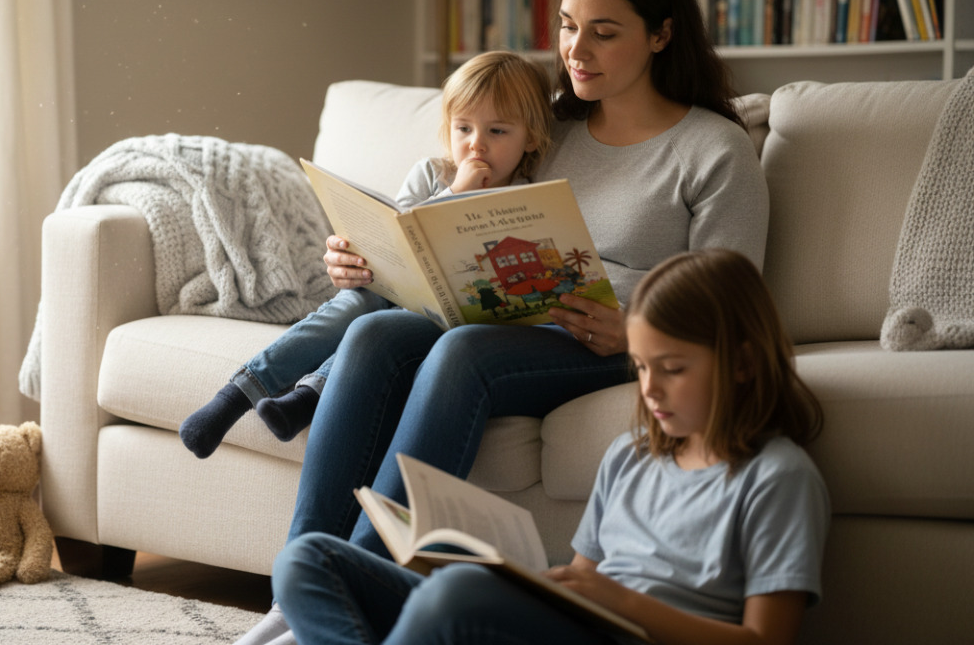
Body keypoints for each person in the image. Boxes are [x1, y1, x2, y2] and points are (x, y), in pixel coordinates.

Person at [235, 0, 771, 645]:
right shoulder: (549, 126)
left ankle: (352, 581)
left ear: (662, 34)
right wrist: (369, 259)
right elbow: (451, 208)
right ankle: (293, 587)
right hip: (509, 319)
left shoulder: (713, 150)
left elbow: (736, 307)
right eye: (568, 27)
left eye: (604, 33)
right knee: (371, 332)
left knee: (464, 356)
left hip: (615, 340)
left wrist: (636, 331)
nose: (575, 52)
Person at [273, 248, 829, 645]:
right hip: (581, 623)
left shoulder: (776, 477)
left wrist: (620, 601)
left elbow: (765, 638)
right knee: (308, 559)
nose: (650, 389)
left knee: (455, 597)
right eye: (639, 368)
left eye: (673, 369)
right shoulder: (630, 456)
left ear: (744, 364)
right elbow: (582, 580)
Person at [179, 50, 554, 458]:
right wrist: (453, 194)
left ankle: (306, 398)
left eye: (497, 132)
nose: (475, 145)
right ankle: (236, 395)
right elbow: (400, 231)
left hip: (458, 319)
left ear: (530, 137)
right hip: (395, 292)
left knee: (388, 325)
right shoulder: (433, 174)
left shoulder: (529, 199)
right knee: (359, 302)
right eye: (463, 128)